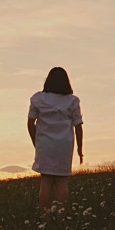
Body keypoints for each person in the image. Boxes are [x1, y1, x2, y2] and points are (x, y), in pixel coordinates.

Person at [27, 67, 84, 220]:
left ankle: (45, 215)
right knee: (61, 180)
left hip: (44, 144)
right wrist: (80, 147)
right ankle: (61, 215)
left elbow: (30, 123)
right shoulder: (72, 101)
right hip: (64, 146)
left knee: (45, 180)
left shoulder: (38, 99)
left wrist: (36, 141)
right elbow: (78, 125)